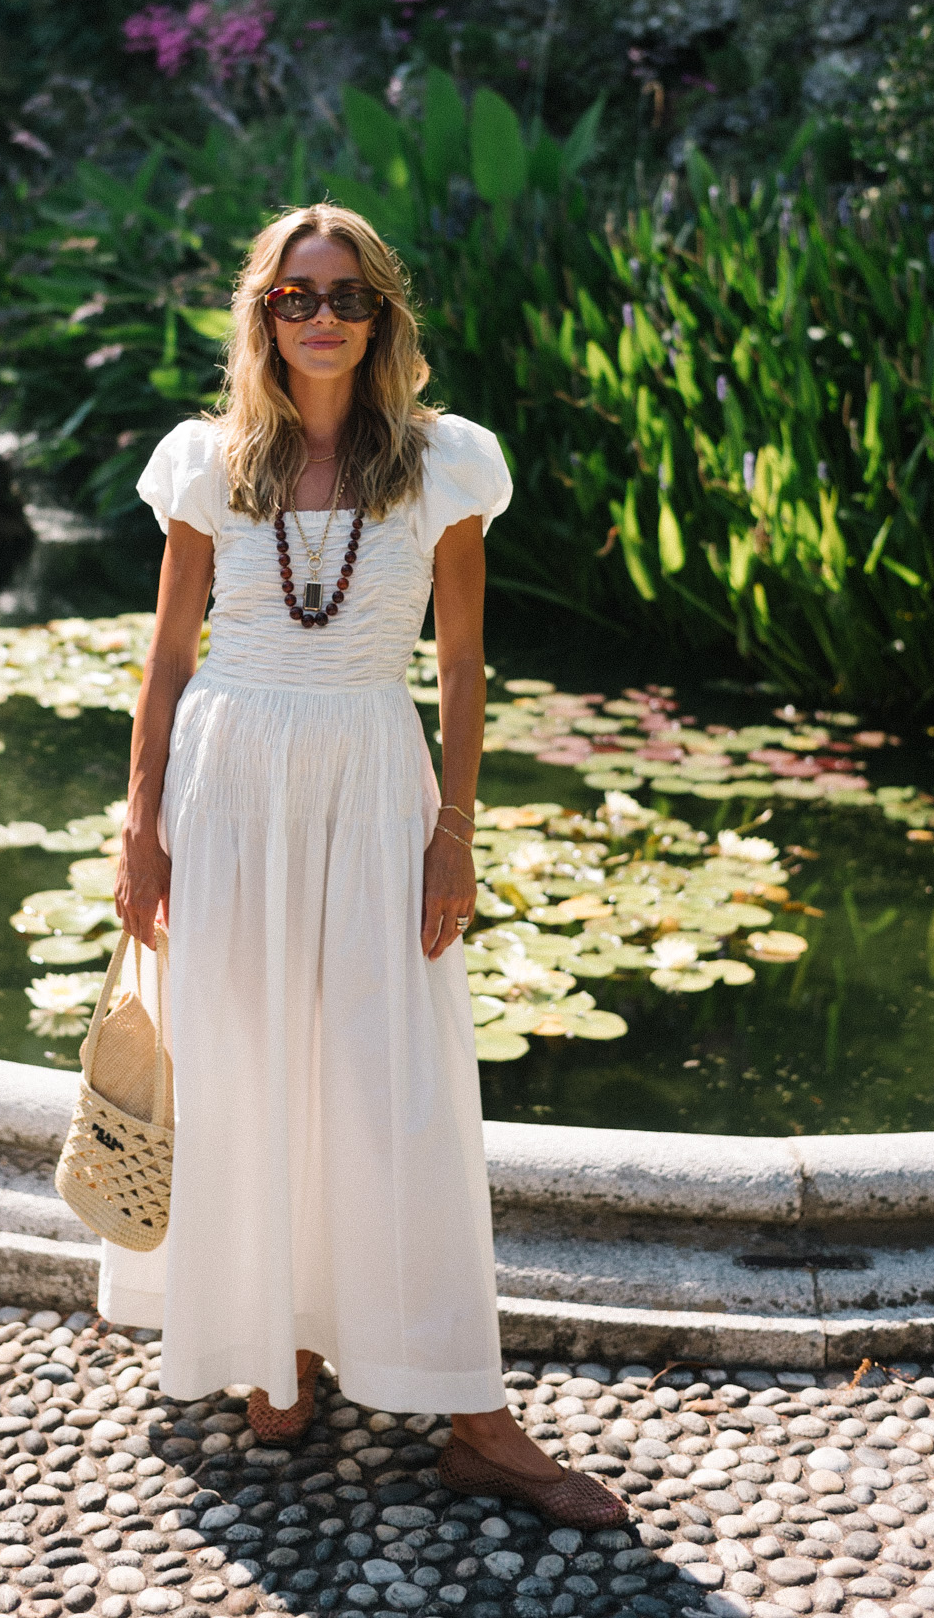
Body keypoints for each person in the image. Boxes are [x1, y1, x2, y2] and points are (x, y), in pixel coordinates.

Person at [104, 202, 625, 1527]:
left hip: (376, 784)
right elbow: (168, 659)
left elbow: (460, 666)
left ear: (382, 317)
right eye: (296, 296)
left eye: (346, 297)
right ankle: (265, 1343)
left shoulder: (447, 465)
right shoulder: (207, 462)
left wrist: (456, 832)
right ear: (261, 315)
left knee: (399, 1089)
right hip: (231, 788)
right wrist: (138, 825)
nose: (322, 317)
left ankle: (473, 1414)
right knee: (240, 1059)